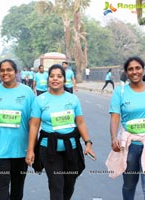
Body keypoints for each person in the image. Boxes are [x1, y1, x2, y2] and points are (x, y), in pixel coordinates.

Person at [25, 64, 95, 200]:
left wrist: (88, 142)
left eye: (59, 76)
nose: (55, 79)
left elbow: (80, 122)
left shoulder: (72, 99)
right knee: (56, 185)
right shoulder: (40, 100)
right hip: (49, 149)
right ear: (48, 79)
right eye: (52, 76)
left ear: (64, 79)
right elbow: (34, 125)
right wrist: (30, 150)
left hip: (71, 148)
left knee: (69, 184)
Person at [106, 56, 145, 200]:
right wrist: (114, 138)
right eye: (130, 69)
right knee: (129, 186)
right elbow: (115, 117)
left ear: (143, 70)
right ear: (126, 72)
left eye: (138, 68)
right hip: (129, 146)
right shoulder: (120, 92)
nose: (134, 72)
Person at [0, 59, 35, 200]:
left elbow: (33, 122)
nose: (5, 73)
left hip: (20, 148)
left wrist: (31, 148)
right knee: (1, 182)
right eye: (2, 70)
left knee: (18, 185)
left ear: (16, 72)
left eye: (9, 70)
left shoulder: (27, 92)